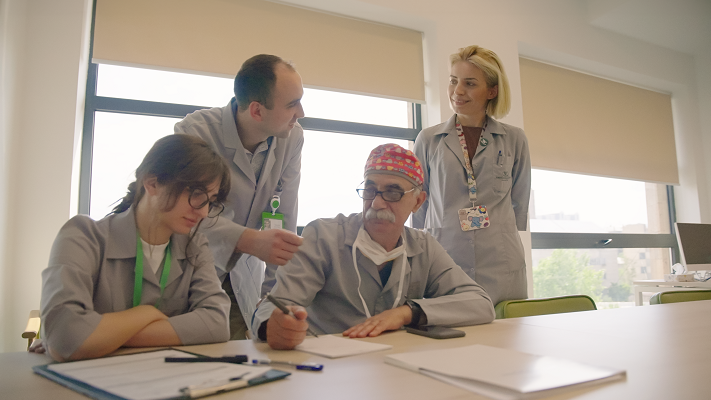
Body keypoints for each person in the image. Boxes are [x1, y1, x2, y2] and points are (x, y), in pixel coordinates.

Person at [253, 144, 495, 350]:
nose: (377, 203)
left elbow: (480, 304)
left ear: (418, 202)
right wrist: (271, 327)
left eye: (393, 192)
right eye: (370, 190)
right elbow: (273, 305)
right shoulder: (324, 237)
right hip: (327, 369)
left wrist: (406, 313)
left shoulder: (424, 247)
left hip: (395, 365)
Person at [39, 135, 231, 362]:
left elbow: (217, 323)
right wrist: (147, 314)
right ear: (152, 183)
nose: (203, 212)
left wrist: (99, 336)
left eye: (211, 200)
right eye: (196, 194)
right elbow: (67, 337)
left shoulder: (195, 246)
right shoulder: (83, 235)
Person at [175, 54, 305, 339]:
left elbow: (283, 217)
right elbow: (183, 212)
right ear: (257, 111)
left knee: (236, 358)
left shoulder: (291, 138)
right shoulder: (195, 132)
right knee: (183, 350)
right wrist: (249, 240)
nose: (301, 113)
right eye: (292, 104)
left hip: (240, 275)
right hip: (188, 267)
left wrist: (274, 297)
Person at [413, 45, 531, 306]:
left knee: (506, 337)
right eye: (453, 81)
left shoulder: (514, 139)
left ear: (492, 90)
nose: (457, 91)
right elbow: (417, 204)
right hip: (445, 254)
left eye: (469, 83)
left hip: (500, 259)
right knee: (450, 333)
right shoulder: (429, 139)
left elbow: (520, 201)